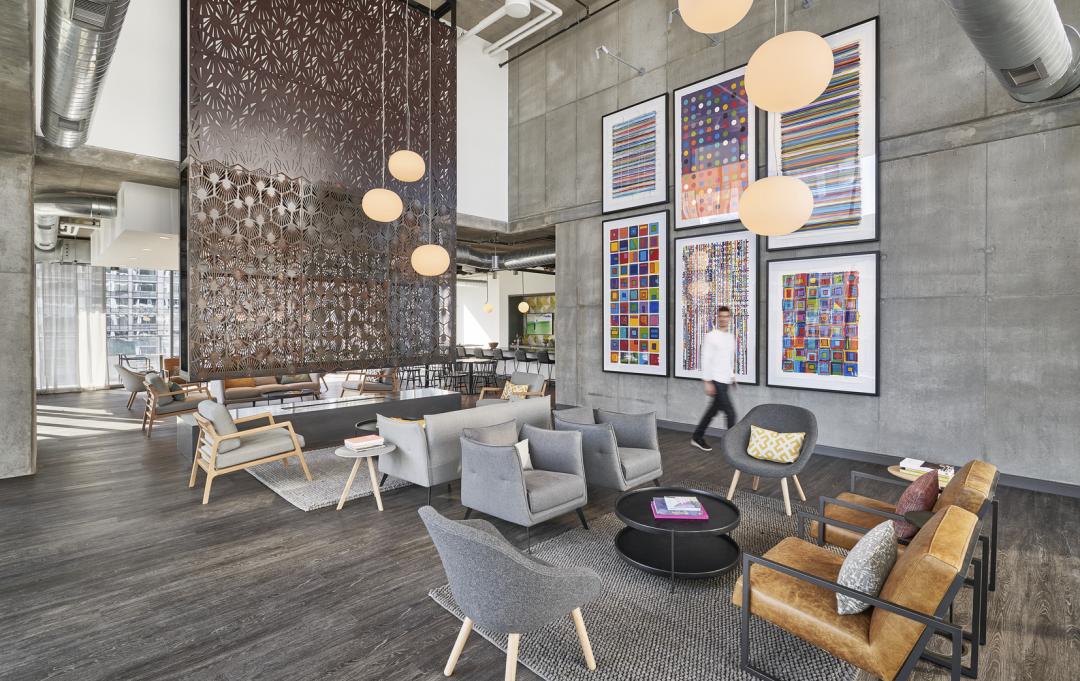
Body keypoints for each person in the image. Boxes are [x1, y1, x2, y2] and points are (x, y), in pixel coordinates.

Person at [691, 305, 736, 451]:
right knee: (730, 412)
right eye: (721, 316)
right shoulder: (711, 336)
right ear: (718, 318)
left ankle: (697, 436)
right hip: (715, 380)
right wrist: (707, 382)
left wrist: (732, 376)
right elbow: (705, 359)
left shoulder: (730, 337)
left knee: (713, 411)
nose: (723, 319)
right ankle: (732, 446)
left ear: (729, 318)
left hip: (725, 380)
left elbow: (728, 359)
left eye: (726, 316)